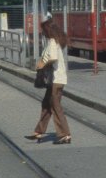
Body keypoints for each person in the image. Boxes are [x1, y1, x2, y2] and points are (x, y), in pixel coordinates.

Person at [26, 16, 72, 144]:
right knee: (46, 104)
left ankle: (65, 135)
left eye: (43, 30)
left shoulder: (52, 41)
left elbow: (52, 58)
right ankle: (39, 131)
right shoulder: (55, 41)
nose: (42, 33)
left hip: (56, 79)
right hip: (56, 79)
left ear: (48, 31)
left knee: (56, 107)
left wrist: (42, 65)